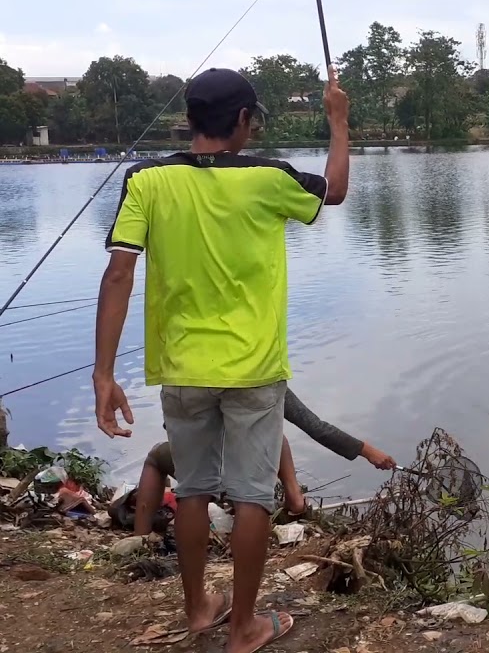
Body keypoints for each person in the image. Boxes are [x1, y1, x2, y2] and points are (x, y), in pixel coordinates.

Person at [93, 65, 349, 653]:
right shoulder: (268, 178)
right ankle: (244, 627)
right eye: (252, 118)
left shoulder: (146, 181)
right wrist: (338, 123)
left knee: (198, 489)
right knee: (255, 493)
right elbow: (333, 190)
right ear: (241, 120)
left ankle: (198, 611)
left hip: (181, 367)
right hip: (254, 367)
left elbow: (118, 272)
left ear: (188, 118)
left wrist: (104, 374)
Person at [125, 388, 396, 537]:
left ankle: (140, 537)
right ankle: (294, 497)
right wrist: (368, 451)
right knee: (272, 429)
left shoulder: (190, 376)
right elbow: (318, 428)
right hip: (246, 479)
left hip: (200, 476)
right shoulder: (265, 379)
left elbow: (172, 427)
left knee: (155, 458)